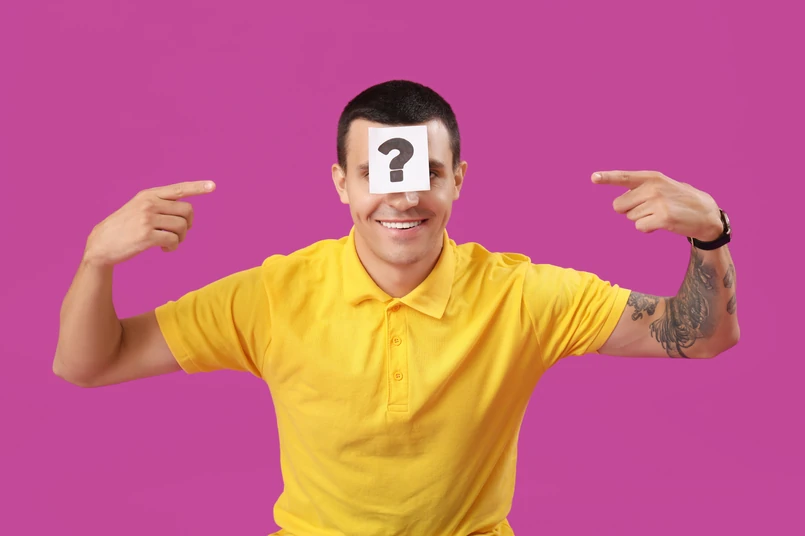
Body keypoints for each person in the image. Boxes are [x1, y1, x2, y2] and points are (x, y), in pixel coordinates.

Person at [53, 80, 740, 536]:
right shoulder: (271, 295)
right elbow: (91, 363)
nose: (404, 198)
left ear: (458, 180)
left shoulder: (523, 295)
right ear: (341, 184)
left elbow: (701, 336)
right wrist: (96, 261)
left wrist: (710, 234)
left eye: (427, 174)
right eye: (377, 175)